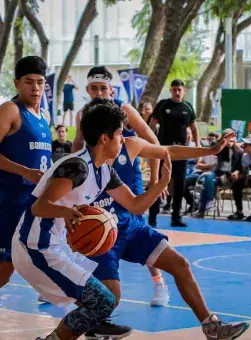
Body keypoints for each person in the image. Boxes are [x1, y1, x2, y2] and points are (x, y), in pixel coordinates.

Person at [81, 99, 248, 340]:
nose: (123, 131)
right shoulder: (81, 163)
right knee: (110, 299)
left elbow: (169, 150)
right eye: (118, 129)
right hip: (102, 234)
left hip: (130, 224)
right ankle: (89, 324)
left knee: (180, 264)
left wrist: (210, 151)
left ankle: (211, 326)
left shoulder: (130, 145)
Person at [12, 99, 172, 340]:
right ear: (105, 138)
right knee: (101, 301)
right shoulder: (77, 166)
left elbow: (135, 204)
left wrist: (160, 184)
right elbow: (39, 207)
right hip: (36, 246)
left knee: (103, 300)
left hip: (56, 245)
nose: (123, 139)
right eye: (119, 134)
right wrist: (66, 212)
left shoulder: (104, 170)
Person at [0, 56, 52, 289]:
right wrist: (24, 171)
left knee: (53, 258)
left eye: (40, 82)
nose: (36, 88)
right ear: (17, 83)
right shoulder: (10, 110)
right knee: (4, 269)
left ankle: (91, 313)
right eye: (29, 82)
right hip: (8, 202)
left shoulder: (44, 117)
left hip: (35, 203)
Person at [149, 79, 200, 227]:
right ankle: (152, 216)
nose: (177, 92)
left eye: (180, 90)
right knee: (158, 182)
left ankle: (176, 217)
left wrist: (197, 147)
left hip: (181, 151)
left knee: (179, 184)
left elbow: (194, 128)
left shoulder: (188, 107)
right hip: (163, 150)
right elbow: (151, 126)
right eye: (174, 89)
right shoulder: (163, 105)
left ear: (184, 91)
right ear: (170, 90)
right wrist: (151, 145)